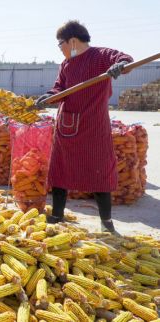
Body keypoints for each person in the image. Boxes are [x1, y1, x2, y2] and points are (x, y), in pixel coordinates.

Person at [36, 20, 133, 235]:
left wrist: (120, 65)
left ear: (72, 41)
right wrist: (48, 97)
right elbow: (59, 88)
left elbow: (124, 59)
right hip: (67, 127)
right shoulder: (66, 65)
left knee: (100, 173)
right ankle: (57, 216)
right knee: (60, 172)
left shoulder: (100, 56)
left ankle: (106, 222)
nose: (59, 48)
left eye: (59, 44)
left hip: (94, 127)